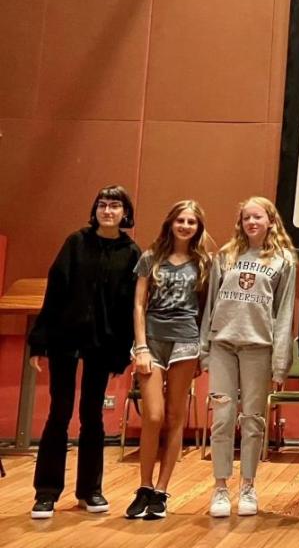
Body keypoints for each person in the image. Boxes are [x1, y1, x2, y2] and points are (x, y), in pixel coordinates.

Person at [28, 185, 141, 519]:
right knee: (59, 413)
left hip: (102, 345)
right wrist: (39, 341)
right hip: (65, 340)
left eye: (115, 206)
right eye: (102, 205)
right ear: (95, 210)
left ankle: (89, 490)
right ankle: (46, 492)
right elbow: (55, 291)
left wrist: (122, 353)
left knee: (92, 417)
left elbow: (128, 307)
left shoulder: (132, 252)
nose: (108, 211)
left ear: (125, 213)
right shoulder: (75, 243)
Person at [200, 196, 296, 518]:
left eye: (257, 217)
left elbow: (284, 314)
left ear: (270, 220)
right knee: (223, 419)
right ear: (240, 223)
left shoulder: (283, 260)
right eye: (246, 218)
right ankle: (220, 488)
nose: (251, 223)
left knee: (253, 421)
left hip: (259, 348)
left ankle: (249, 486)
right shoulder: (225, 256)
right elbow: (210, 305)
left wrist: (280, 360)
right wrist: (204, 348)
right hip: (223, 346)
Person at [125, 201, 211, 519]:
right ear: (170, 223)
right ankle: (144, 486)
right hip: (153, 342)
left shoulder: (204, 262)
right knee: (153, 417)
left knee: (175, 418)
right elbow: (138, 304)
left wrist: (203, 349)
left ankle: (161, 491)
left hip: (186, 342)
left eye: (191, 221)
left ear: (198, 227)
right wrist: (141, 347)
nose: (185, 226)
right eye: (180, 220)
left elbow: (206, 309)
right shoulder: (151, 258)